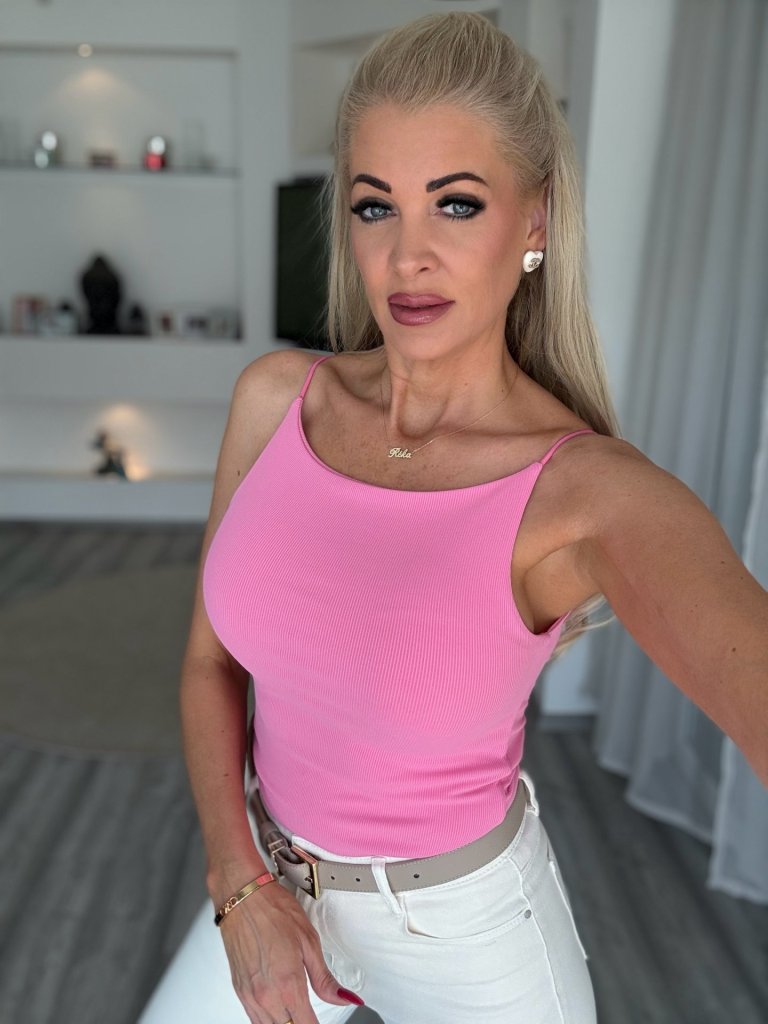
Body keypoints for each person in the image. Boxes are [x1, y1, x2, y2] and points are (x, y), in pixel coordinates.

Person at [139, 13, 768, 1024]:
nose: (408, 255)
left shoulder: (585, 492)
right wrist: (238, 883)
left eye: (457, 203)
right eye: (375, 206)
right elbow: (209, 662)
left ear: (535, 222)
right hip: (273, 893)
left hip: (470, 944)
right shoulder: (275, 401)